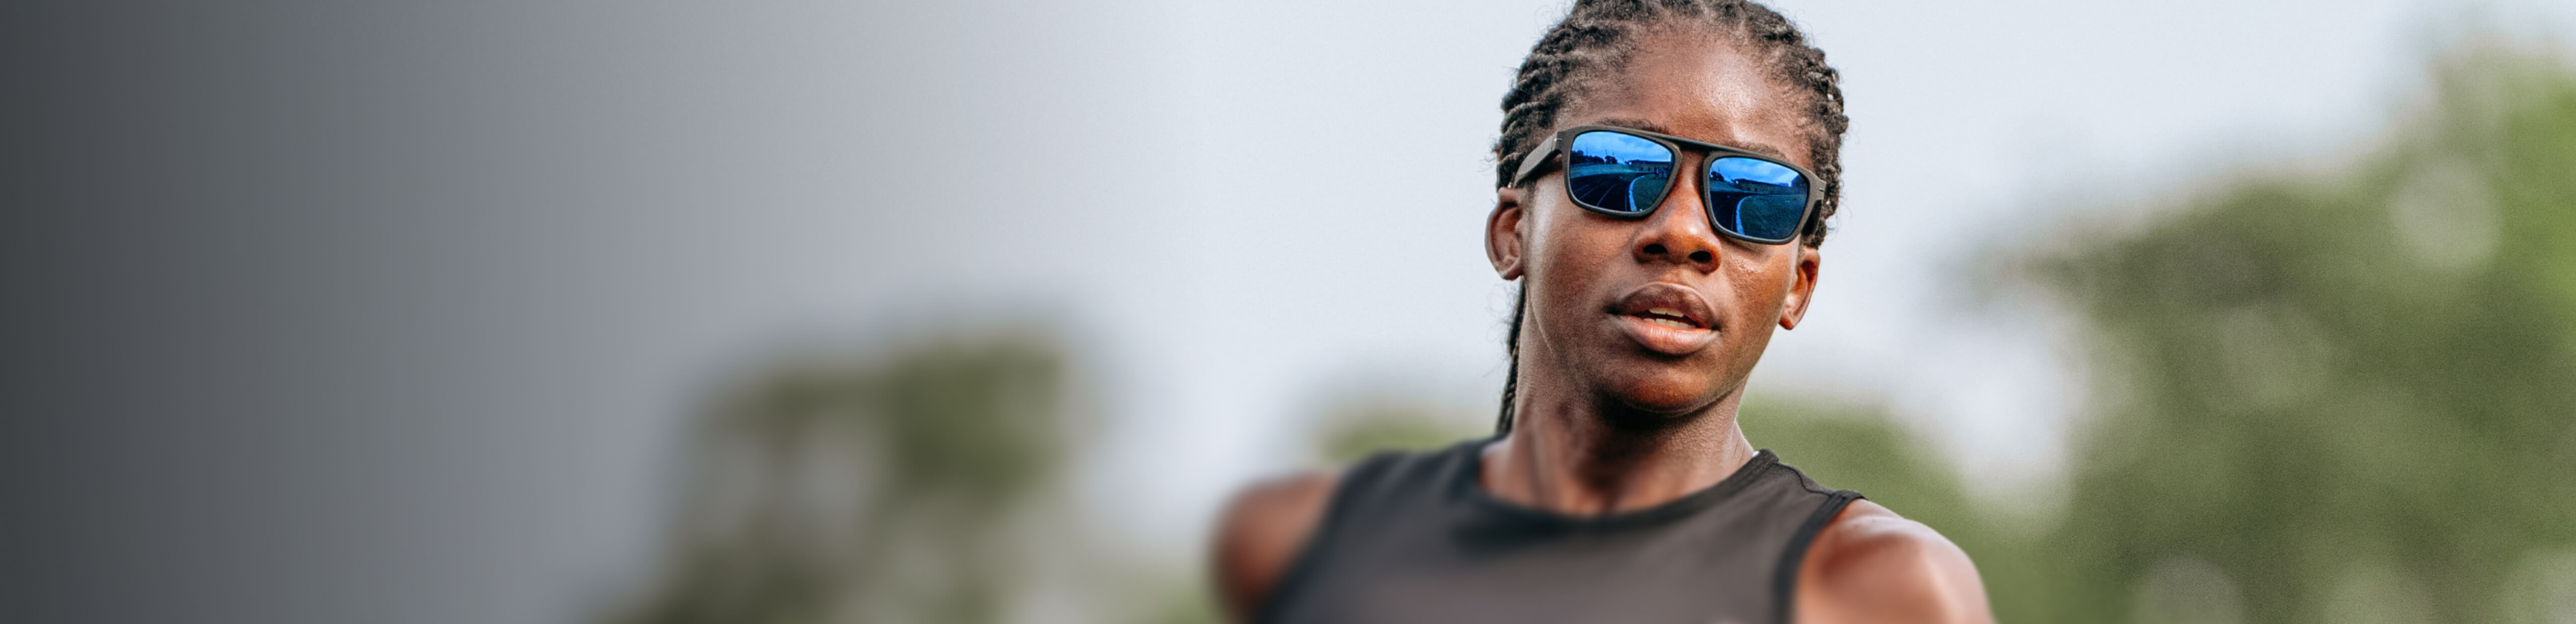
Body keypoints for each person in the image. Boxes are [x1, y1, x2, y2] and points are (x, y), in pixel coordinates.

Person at [1210, 2, 1992, 622]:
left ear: (1799, 285)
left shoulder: (1880, 590)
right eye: (1620, 170)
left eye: (1753, 196)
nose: (1684, 233)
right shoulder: (1309, 544)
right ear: (1513, 230)